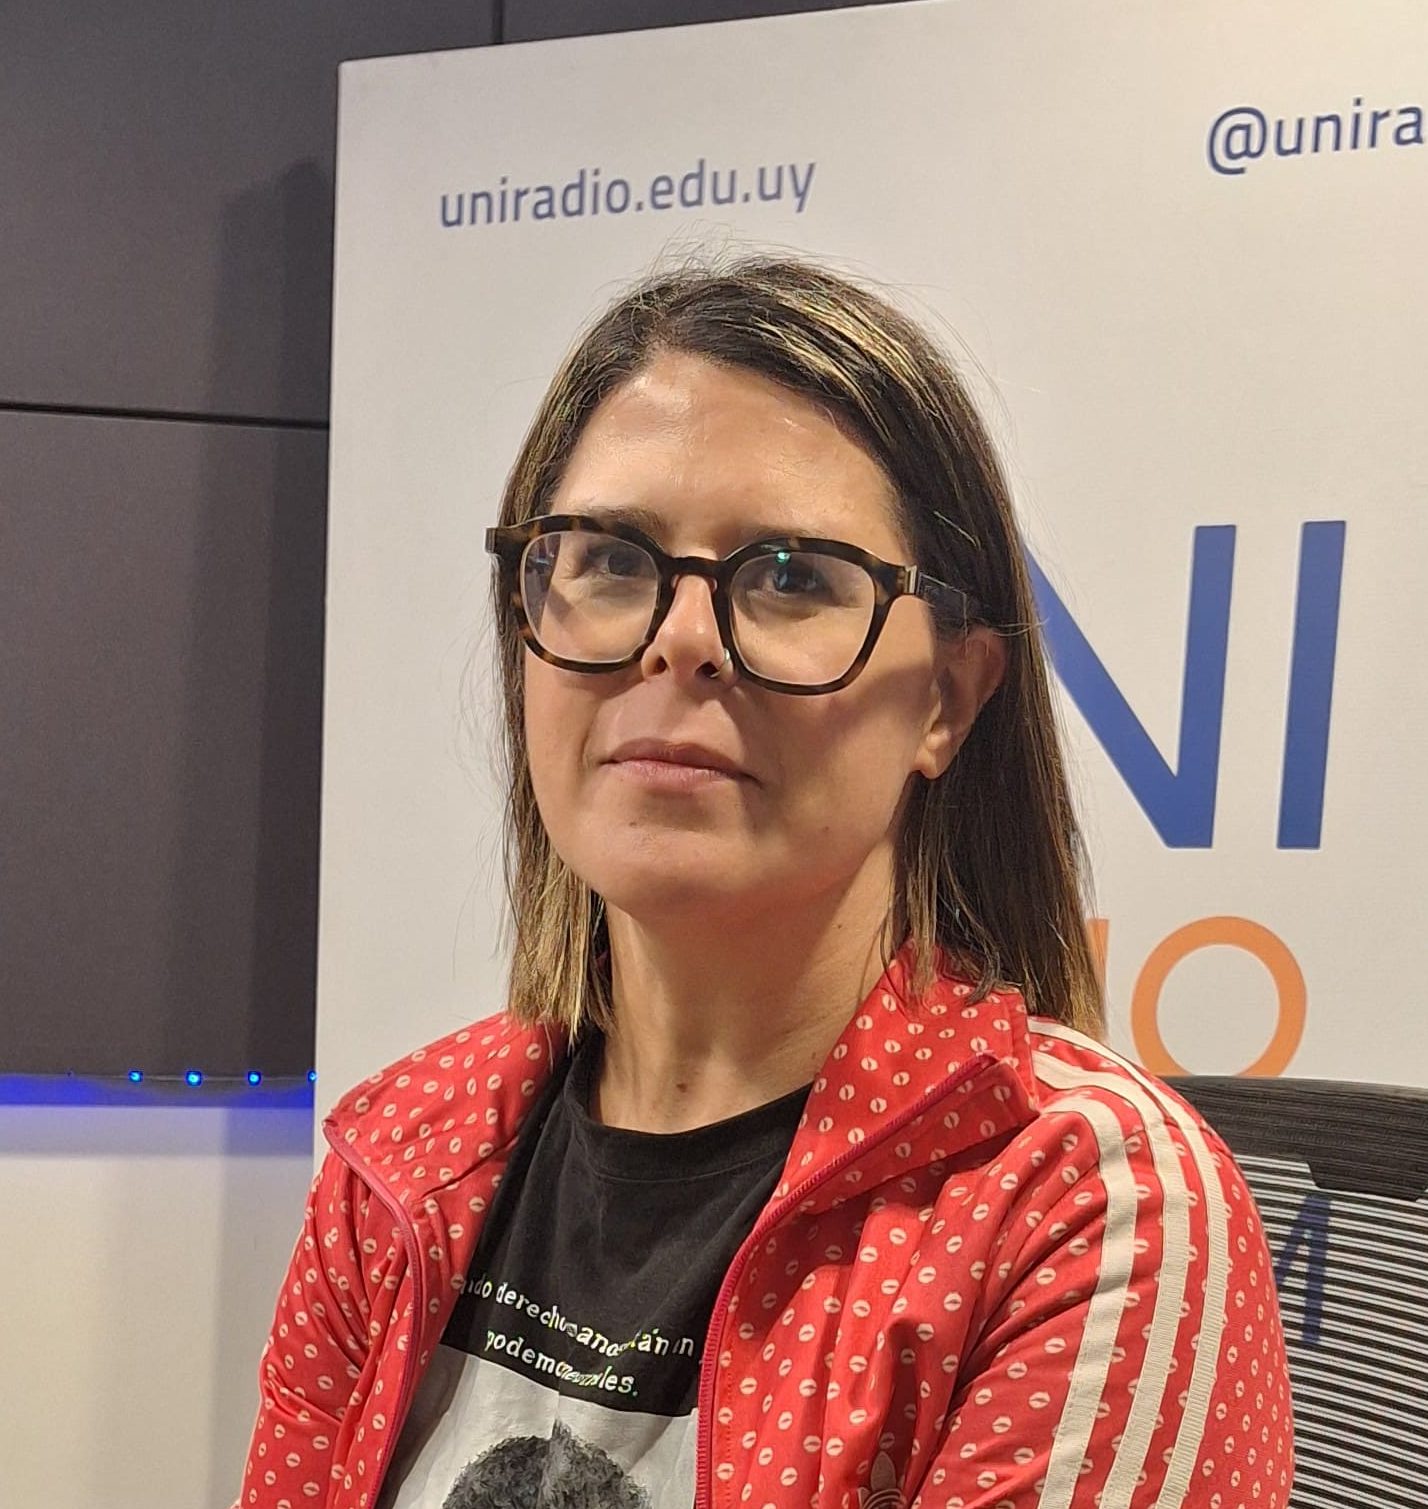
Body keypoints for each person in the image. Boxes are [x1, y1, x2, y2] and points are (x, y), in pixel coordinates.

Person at [235, 256, 1294, 1509]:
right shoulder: (405, 1152)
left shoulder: (1085, 1206)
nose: (679, 639)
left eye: (793, 575)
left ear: (948, 700)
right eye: (609, 559)